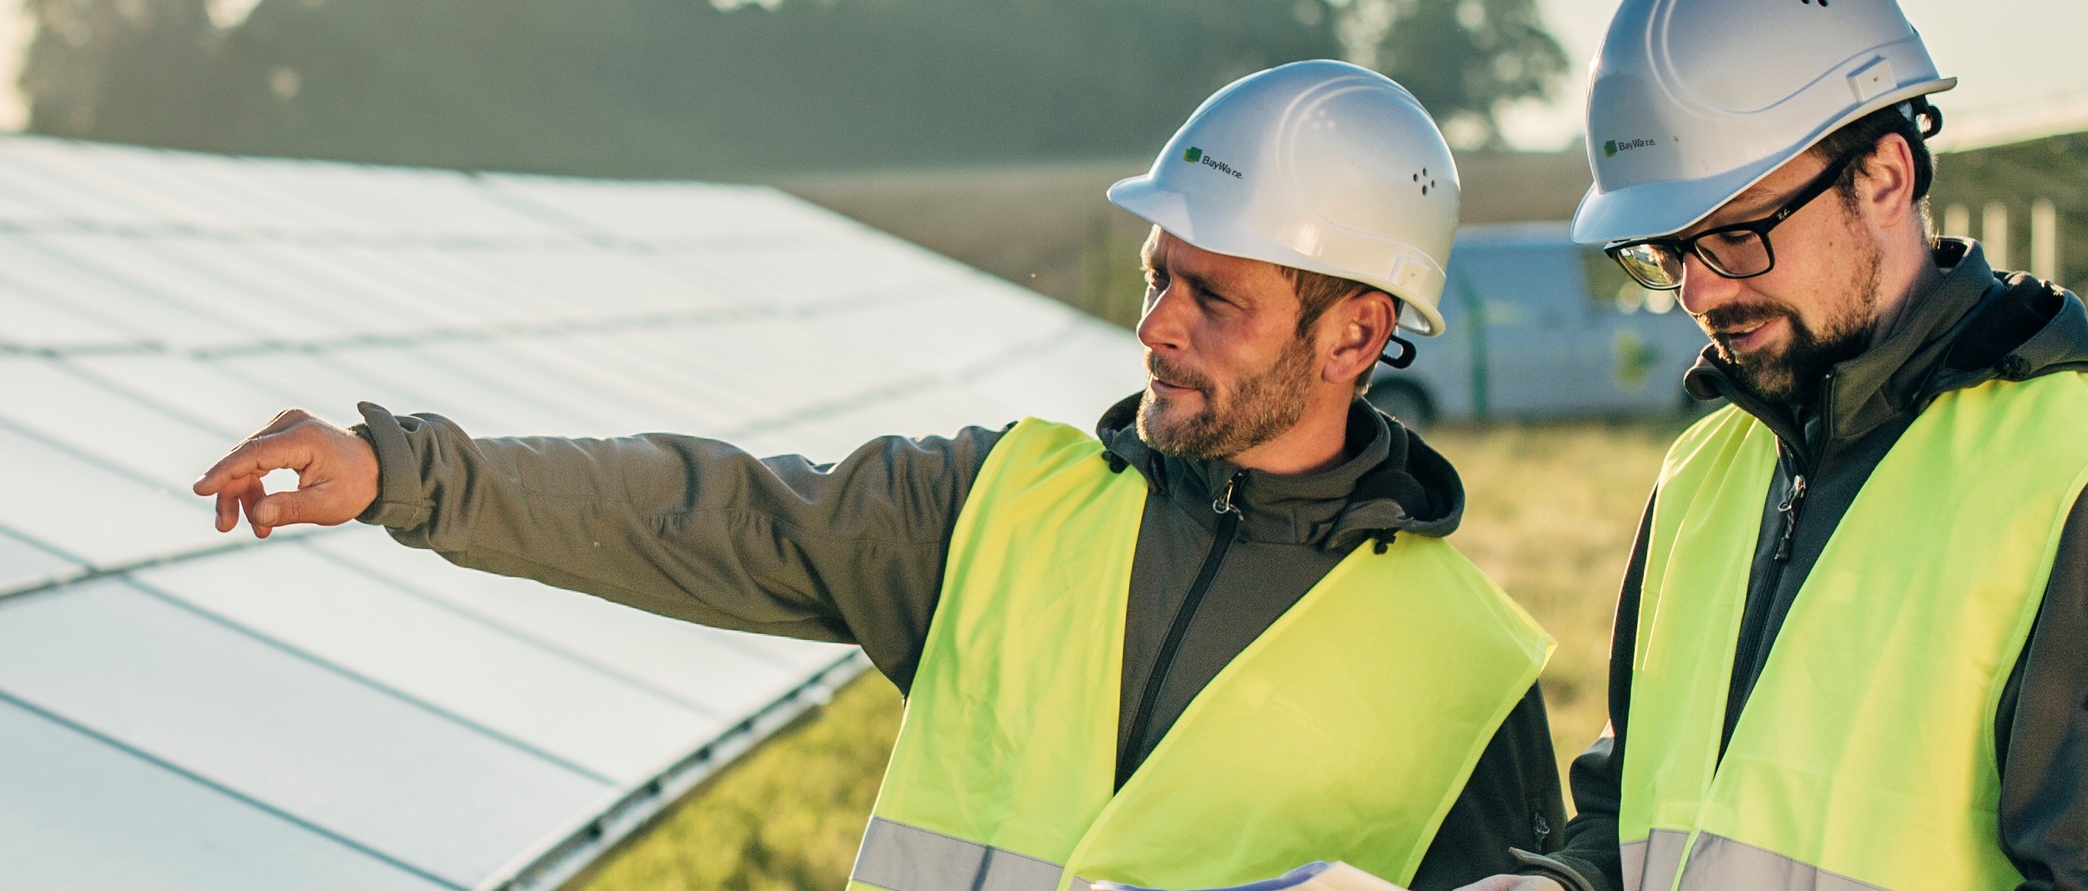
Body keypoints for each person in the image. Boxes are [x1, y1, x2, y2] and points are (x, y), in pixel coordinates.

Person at [196, 62, 1577, 891]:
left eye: (1212, 297)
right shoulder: (999, 510)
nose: (1153, 322)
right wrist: (401, 472)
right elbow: (703, 510)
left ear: (1357, 332)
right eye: (1157, 275)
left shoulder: (1466, 671)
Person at [1468, 0, 2088, 891]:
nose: (1698, 292)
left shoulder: (2083, 481)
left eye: (1735, 234)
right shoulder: (1702, 472)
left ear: (1884, 174)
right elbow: (1636, 807)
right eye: (1668, 251)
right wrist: (1565, 884)